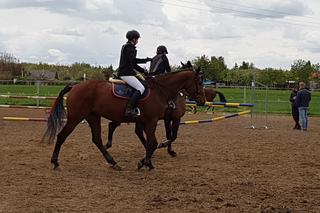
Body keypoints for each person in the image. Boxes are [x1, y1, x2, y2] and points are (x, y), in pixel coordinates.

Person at [117, 30, 152, 117]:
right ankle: (130, 109)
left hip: (126, 72)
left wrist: (143, 71)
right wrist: (146, 60)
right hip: (126, 73)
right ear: (134, 39)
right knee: (141, 88)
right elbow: (134, 61)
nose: (137, 41)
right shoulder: (130, 48)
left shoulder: (126, 46)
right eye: (137, 39)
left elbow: (133, 64)